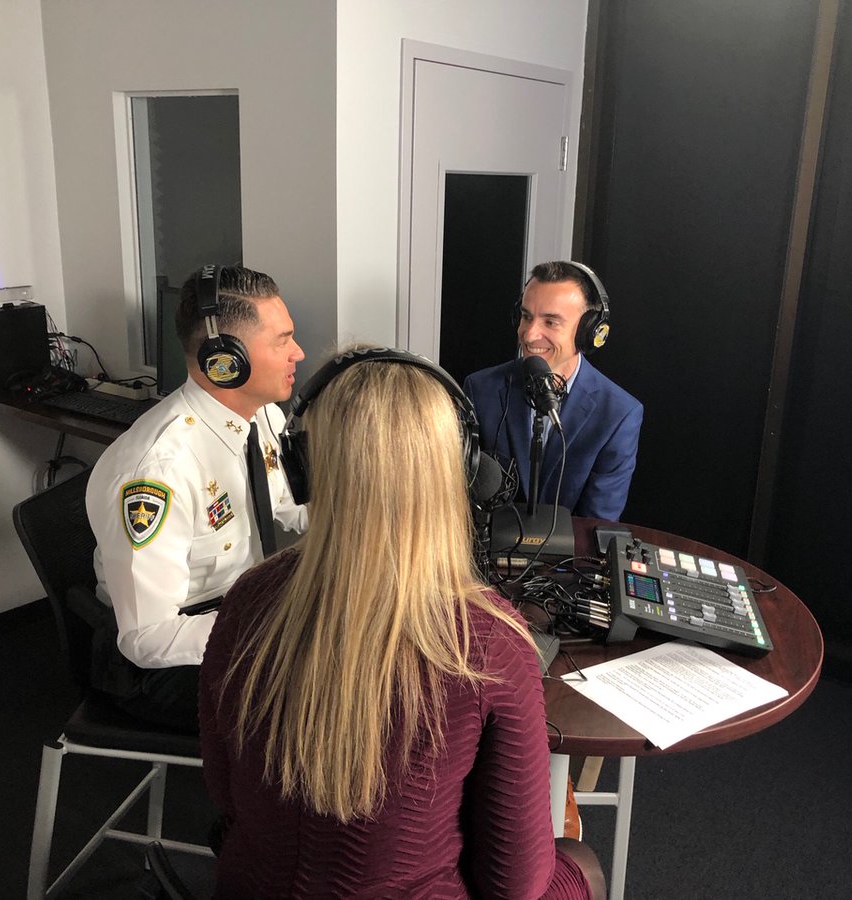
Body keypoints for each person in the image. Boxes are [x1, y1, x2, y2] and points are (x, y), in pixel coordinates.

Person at [199, 347, 605, 898]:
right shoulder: (488, 643)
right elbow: (516, 885)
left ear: (305, 469)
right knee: (581, 862)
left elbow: (223, 792)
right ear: (461, 474)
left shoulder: (248, 598)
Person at [86, 265, 307, 732]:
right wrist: (273, 631)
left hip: (240, 605)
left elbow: (289, 505)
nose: (298, 353)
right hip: (162, 658)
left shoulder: (263, 416)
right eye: (282, 341)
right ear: (225, 359)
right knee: (316, 701)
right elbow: (147, 637)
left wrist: (373, 519)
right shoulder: (157, 473)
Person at [463, 260, 643, 522]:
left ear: (589, 333)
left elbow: (595, 524)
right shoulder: (480, 389)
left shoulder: (618, 415)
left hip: (570, 548)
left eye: (550, 322)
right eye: (526, 316)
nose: (529, 335)